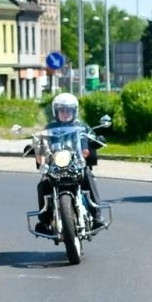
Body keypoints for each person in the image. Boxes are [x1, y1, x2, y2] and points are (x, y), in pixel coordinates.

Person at [36, 92, 106, 230]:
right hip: (55, 166)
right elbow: (41, 141)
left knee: (88, 177)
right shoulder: (50, 128)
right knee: (43, 184)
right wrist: (35, 145)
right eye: (62, 110)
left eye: (68, 110)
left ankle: (97, 214)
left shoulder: (82, 126)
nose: (65, 113)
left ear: (75, 111)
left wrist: (97, 140)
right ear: (55, 111)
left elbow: (90, 137)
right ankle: (43, 220)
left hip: (76, 164)